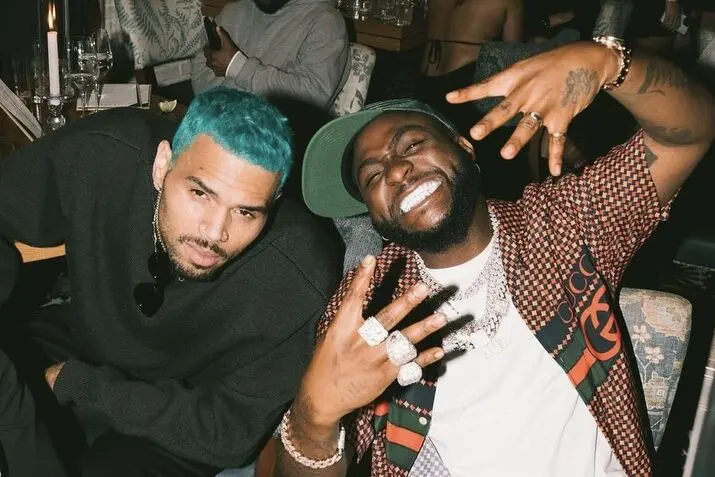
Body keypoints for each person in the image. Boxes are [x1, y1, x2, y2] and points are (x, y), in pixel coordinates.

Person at [278, 39, 715, 476]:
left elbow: (688, 134)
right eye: (372, 175)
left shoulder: (562, 223)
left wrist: (610, 63)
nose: (395, 171)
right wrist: (313, 420)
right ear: (374, 216)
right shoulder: (365, 307)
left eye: (412, 145)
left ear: (463, 148)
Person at [0, 87, 342, 476]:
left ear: (274, 203)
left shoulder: (300, 277)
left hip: (184, 413)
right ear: (162, 165)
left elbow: (229, 433)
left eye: (246, 213)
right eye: (200, 193)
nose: (214, 232)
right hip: (82, 339)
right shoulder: (106, 152)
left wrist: (85, 387)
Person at [190, 0, 349, 110]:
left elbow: (310, 99)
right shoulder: (234, 11)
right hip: (216, 125)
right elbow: (200, 79)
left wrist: (238, 67)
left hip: (276, 140)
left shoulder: (326, 22)